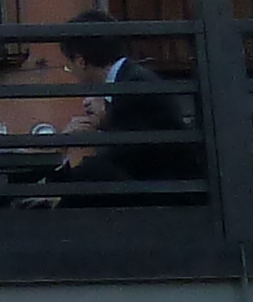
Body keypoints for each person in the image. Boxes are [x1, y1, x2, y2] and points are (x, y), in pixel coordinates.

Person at [56, 12, 197, 187]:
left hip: (169, 191)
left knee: (91, 171)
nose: (72, 73)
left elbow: (125, 157)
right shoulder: (129, 78)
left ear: (81, 61)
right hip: (164, 183)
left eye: (69, 66)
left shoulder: (134, 84)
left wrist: (93, 137)